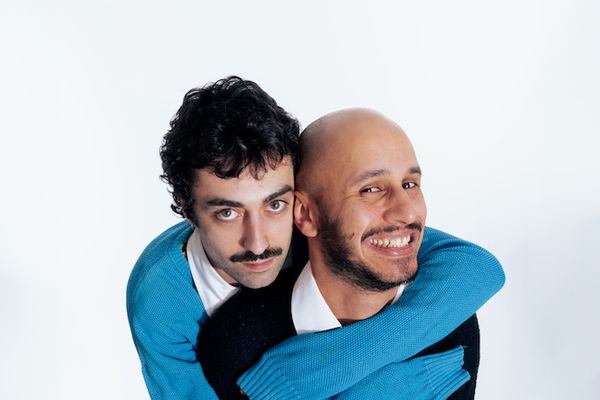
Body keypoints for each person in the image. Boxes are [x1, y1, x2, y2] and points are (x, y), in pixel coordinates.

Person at [126, 77, 504, 400]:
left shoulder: (313, 224)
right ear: (186, 206)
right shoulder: (159, 302)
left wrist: (319, 369)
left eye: (275, 204)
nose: (258, 243)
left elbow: (476, 268)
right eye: (228, 212)